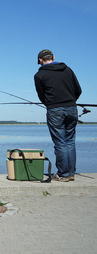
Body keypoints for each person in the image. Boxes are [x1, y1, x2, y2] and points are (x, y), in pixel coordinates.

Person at [34, 49, 82, 182]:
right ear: (53, 57)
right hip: (72, 108)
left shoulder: (39, 75)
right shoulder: (68, 70)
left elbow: (41, 96)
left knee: (60, 142)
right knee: (70, 141)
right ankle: (71, 173)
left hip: (55, 110)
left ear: (40, 60)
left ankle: (63, 174)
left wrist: (51, 104)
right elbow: (78, 90)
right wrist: (70, 101)